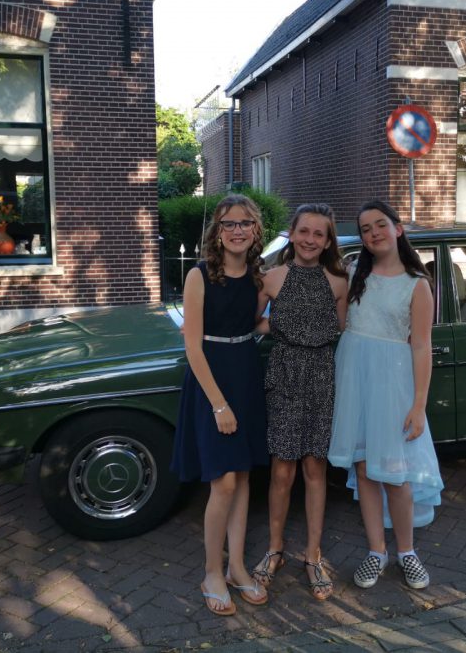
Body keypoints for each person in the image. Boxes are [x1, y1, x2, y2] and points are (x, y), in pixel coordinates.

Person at [328, 200, 444, 591]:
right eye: (365, 229)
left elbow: (421, 347)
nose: (373, 233)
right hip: (355, 382)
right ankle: (376, 551)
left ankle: (407, 552)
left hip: (392, 386)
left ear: (397, 228)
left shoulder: (417, 284)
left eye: (380, 224)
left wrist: (418, 405)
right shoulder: (354, 274)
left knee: (395, 474)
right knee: (364, 469)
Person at [171, 194, 270, 616]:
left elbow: (253, 323)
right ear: (217, 231)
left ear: (255, 229)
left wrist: (282, 322)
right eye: (229, 223)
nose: (237, 230)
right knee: (224, 482)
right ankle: (212, 571)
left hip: (246, 373)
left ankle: (237, 567)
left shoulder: (258, 277)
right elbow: (192, 347)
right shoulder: (199, 275)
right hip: (212, 380)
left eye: (245, 223)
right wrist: (218, 405)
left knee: (242, 477)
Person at [250, 204, 349, 601]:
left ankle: (313, 555)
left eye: (318, 234)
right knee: (282, 469)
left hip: (321, 377)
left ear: (327, 241)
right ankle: (275, 550)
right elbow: (250, 321)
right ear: (292, 234)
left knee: (314, 467)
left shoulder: (338, 281)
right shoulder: (272, 277)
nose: (310, 239)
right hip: (285, 375)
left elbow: (341, 327)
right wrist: (281, 326)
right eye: (304, 231)